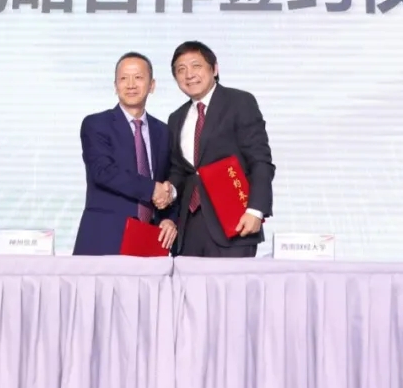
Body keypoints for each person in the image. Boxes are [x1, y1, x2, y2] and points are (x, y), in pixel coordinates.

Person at [166, 41, 274, 257]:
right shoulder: (176, 118)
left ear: (214, 69)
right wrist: (170, 191)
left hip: (234, 222)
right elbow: (180, 170)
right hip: (189, 227)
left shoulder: (240, 102)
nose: (189, 75)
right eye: (181, 69)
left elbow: (260, 160)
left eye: (196, 66)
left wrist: (256, 210)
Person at [73, 52, 177, 256]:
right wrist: (152, 189)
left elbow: (169, 180)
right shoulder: (96, 124)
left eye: (138, 77)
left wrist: (169, 218)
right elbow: (103, 171)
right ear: (115, 86)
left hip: (150, 240)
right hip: (104, 239)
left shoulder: (163, 131)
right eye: (123, 78)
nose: (130, 85)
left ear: (152, 85)